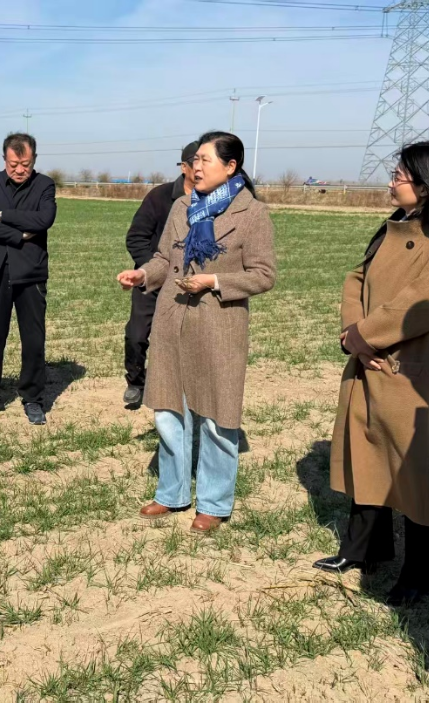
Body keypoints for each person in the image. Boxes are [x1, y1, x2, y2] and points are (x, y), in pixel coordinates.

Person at [314, 139, 429, 606]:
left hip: (412, 372)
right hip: (369, 358)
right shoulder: (394, 225)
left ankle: (424, 568)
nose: (390, 183)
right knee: (368, 453)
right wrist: (353, 335)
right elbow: (356, 279)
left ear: (426, 184)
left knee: (414, 469)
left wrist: (362, 338)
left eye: (398, 176)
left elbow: (421, 304)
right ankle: (363, 548)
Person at [118, 131, 276, 533]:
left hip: (218, 326)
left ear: (230, 166)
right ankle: (171, 493)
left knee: (218, 418)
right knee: (169, 412)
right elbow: (162, 258)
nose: (197, 167)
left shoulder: (252, 213)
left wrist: (215, 281)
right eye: (195, 161)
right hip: (173, 319)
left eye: (205, 160)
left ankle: (213, 503)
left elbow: (263, 274)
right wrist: (143, 275)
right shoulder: (181, 206)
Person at [0, 133, 57, 426]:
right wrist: (19, 235)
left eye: (26, 164)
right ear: (4, 159)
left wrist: (4, 215)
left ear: (34, 160)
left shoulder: (44, 185)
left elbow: (44, 220)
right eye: (13, 164)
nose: (20, 170)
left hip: (31, 272)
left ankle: (33, 398)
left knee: (33, 339)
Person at [123, 141, 198, 407]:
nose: (201, 168)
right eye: (196, 162)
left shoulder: (213, 201)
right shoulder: (160, 197)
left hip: (190, 283)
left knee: (184, 337)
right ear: (184, 167)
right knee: (137, 334)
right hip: (152, 279)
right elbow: (136, 238)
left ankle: (180, 386)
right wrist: (154, 270)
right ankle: (135, 382)